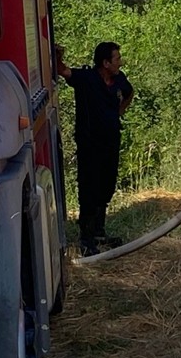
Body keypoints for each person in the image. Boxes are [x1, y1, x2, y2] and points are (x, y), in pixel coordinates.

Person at [55, 41, 134, 256]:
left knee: (107, 186)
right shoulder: (86, 78)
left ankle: (99, 232)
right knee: (89, 189)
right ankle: (86, 239)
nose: (120, 62)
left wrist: (118, 112)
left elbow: (129, 93)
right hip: (90, 145)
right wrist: (57, 55)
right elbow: (62, 70)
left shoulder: (119, 79)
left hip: (111, 142)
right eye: (117, 59)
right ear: (105, 63)